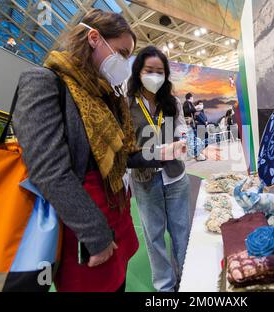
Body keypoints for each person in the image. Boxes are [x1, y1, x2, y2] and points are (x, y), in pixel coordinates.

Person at [12, 9, 184, 292]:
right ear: (94, 38)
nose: (124, 63)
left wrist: (160, 153)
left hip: (117, 214)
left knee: (119, 284)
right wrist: (96, 235)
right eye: (121, 52)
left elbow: (123, 155)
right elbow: (49, 170)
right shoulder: (44, 82)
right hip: (85, 225)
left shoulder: (106, 93)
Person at [127, 46, 220, 292]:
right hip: (145, 180)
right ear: (138, 72)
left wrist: (194, 144)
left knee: (182, 232)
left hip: (176, 177)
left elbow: (181, 128)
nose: (155, 76)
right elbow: (126, 147)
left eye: (160, 71)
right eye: (149, 70)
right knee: (154, 236)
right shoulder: (126, 105)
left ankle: (188, 280)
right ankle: (165, 286)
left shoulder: (172, 102)